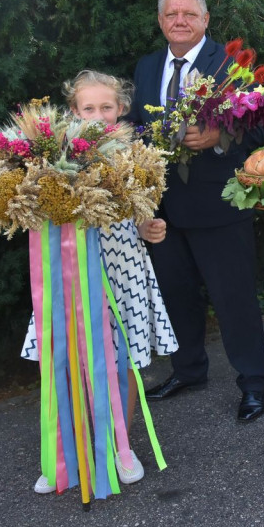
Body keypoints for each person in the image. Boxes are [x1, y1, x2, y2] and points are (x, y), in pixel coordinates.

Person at [22, 70, 179, 493]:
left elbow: (144, 212)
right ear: (74, 111)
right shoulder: (53, 156)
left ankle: (119, 448)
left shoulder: (136, 156)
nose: (97, 115)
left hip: (122, 268)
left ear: (121, 109)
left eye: (106, 107)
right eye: (88, 107)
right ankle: (63, 455)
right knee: (67, 357)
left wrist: (150, 228)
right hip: (70, 272)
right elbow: (35, 211)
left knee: (122, 359)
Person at [129, 0, 264, 422]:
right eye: (172, 14)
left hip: (219, 206)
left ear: (205, 19)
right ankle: (189, 370)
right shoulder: (147, 67)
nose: (180, 20)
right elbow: (134, 126)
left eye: (189, 13)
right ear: (160, 20)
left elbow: (261, 128)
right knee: (177, 295)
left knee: (234, 299)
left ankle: (254, 382)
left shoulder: (231, 65)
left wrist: (218, 136)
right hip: (163, 209)